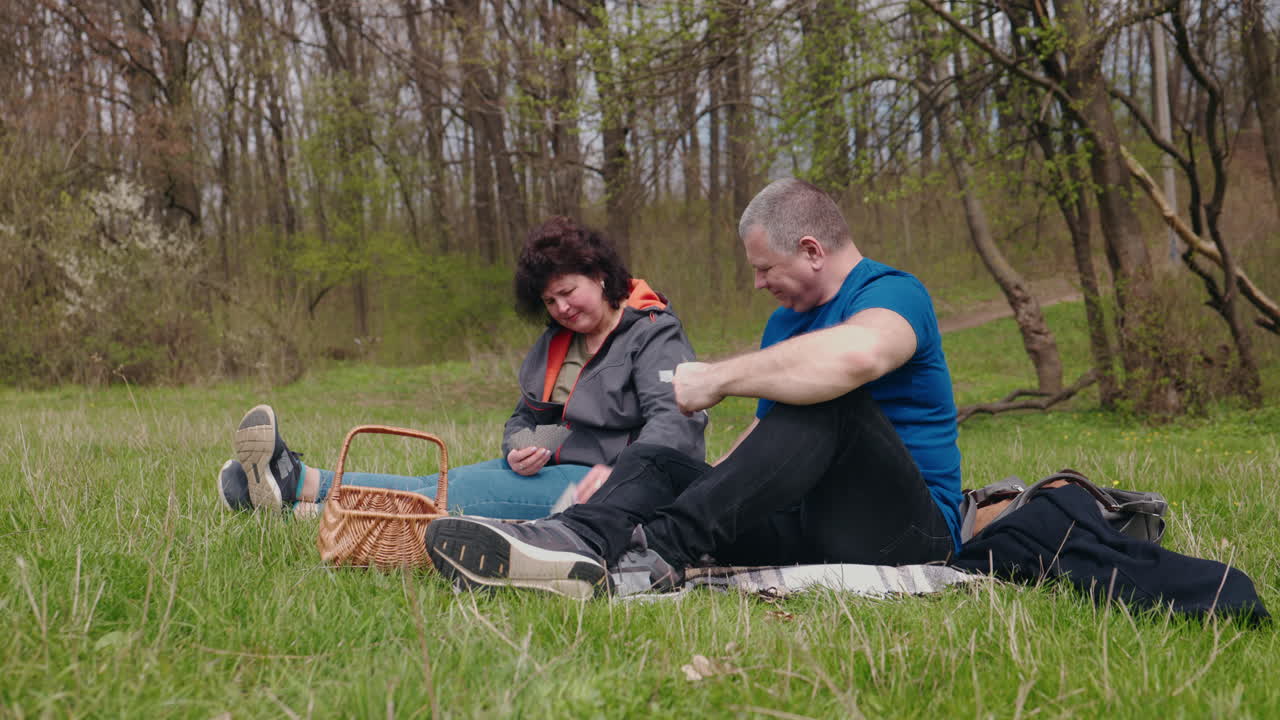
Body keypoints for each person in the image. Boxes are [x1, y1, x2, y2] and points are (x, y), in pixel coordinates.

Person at [423, 178, 964, 599]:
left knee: (833, 401)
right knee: (656, 459)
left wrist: (716, 377)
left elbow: (858, 356)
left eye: (764, 268)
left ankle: (654, 554)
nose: (757, 284)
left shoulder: (895, 294)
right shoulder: (784, 324)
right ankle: (574, 543)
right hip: (812, 528)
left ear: (812, 250)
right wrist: (667, 485)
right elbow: (763, 446)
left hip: (908, 535)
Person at [215, 216, 706, 519]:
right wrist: (518, 449)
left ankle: (297, 483)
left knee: (439, 497)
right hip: (552, 473)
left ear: (600, 275)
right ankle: (288, 504)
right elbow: (524, 420)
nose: (561, 307)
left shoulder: (652, 332)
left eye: (568, 291)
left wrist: (619, 477)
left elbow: (674, 425)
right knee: (435, 487)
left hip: (608, 490)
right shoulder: (562, 344)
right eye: (549, 299)